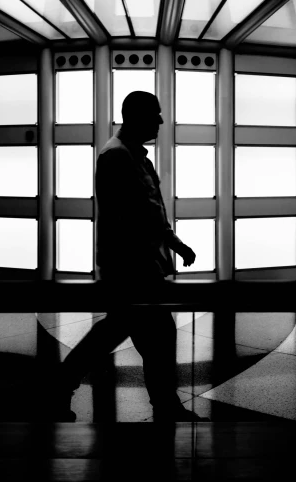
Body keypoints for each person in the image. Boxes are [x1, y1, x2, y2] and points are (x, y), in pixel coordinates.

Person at [52, 91, 207, 422]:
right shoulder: (118, 157)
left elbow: (147, 213)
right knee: (152, 335)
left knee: (124, 331)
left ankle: (60, 387)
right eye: (156, 114)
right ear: (137, 116)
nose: (161, 121)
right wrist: (151, 259)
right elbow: (126, 219)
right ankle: (165, 405)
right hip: (133, 270)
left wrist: (174, 245)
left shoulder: (131, 156)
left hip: (136, 268)